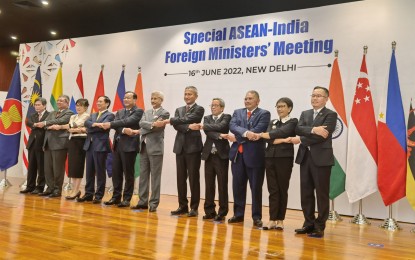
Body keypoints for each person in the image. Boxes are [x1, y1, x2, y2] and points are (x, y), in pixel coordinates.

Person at [291, 86, 337, 238]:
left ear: (326, 99)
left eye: (318, 96)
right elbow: (297, 128)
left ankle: (319, 226)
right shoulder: (305, 113)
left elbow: (322, 136)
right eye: (313, 95)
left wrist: (304, 137)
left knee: (321, 193)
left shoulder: (330, 114)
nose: (315, 98)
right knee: (306, 193)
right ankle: (308, 223)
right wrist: (313, 129)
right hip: (305, 157)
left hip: (321, 159)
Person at [228, 90, 270, 227]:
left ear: (258, 101)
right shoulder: (237, 112)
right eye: (245, 98)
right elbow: (232, 126)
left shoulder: (264, 113)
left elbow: (259, 129)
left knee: (256, 188)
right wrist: (246, 132)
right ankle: (238, 215)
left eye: (250, 98)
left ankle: (256, 216)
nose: (247, 101)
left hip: (255, 156)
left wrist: (240, 133)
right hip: (237, 156)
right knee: (237, 187)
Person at [256, 97, 298, 230]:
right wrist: (285, 140)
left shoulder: (293, 121)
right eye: (278, 106)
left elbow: (280, 132)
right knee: (272, 189)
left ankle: (280, 220)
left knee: (282, 189)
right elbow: (269, 140)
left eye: (282, 106)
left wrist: (269, 136)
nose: (279, 109)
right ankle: (272, 219)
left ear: (289, 108)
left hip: (284, 158)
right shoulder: (273, 121)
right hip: (269, 157)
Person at [164, 86, 205, 217]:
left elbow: (188, 119)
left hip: (193, 148)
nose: (187, 96)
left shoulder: (199, 109)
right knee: (180, 179)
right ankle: (182, 206)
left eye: (190, 94)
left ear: (196, 96)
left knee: (193, 178)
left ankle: (194, 208)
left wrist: (174, 121)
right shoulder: (179, 109)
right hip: (180, 147)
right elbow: (177, 125)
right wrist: (188, 126)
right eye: (185, 94)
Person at [102, 91, 143, 207]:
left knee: (128, 173)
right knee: (116, 173)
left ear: (135, 100)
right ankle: (115, 197)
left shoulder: (138, 111)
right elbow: (117, 126)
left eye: (128, 98)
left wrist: (113, 124)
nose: (125, 99)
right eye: (124, 97)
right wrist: (124, 130)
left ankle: (126, 198)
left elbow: (128, 121)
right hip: (118, 145)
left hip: (130, 146)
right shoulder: (120, 111)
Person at [131, 91, 170, 212]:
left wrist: (144, 128)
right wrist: (152, 124)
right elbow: (140, 123)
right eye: (152, 98)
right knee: (143, 176)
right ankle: (142, 202)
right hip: (143, 147)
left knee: (155, 177)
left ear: (161, 100)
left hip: (156, 149)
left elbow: (159, 127)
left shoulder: (165, 112)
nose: (153, 101)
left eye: (155, 98)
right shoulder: (146, 112)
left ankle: (153, 203)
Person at [199, 98, 231, 222]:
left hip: (221, 155)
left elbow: (222, 126)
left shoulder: (227, 117)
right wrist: (219, 135)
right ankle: (209, 211)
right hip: (208, 155)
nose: (213, 107)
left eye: (216, 105)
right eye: (211, 105)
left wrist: (208, 128)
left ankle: (222, 212)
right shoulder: (207, 118)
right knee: (209, 184)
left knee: (222, 184)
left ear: (222, 107)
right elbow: (208, 132)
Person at [78, 96, 114, 204]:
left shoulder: (110, 115)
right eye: (97, 101)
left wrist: (92, 127)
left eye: (100, 101)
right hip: (90, 145)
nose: (98, 103)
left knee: (100, 171)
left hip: (101, 145)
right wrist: (95, 125)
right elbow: (86, 124)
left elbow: (103, 127)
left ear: (107, 103)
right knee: (89, 170)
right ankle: (88, 194)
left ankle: (98, 195)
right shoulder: (93, 114)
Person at [36, 95, 74, 197]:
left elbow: (60, 121)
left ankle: (57, 189)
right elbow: (47, 125)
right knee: (47, 168)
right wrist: (48, 124)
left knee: (58, 168)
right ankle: (49, 188)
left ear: (67, 103)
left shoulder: (69, 112)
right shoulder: (52, 113)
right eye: (58, 100)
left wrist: (46, 123)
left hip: (59, 144)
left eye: (61, 101)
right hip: (48, 143)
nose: (58, 102)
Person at [61, 99, 90, 200]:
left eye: (81, 106)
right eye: (77, 105)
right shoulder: (73, 116)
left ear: (86, 107)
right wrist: (75, 129)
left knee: (78, 165)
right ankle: (74, 189)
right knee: (72, 165)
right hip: (72, 140)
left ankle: (76, 189)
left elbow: (75, 125)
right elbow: (69, 129)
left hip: (81, 141)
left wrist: (74, 129)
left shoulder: (86, 115)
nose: (78, 107)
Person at [20, 97, 49, 194]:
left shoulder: (49, 115)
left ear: (44, 105)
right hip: (32, 144)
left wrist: (40, 124)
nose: (36, 107)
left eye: (39, 105)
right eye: (35, 105)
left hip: (42, 144)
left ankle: (40, 187)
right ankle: (30, 186)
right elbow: (29, 123)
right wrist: (37, 124)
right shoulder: (32, 115)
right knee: (31, 166)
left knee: (41, 167)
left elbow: (46, 125)